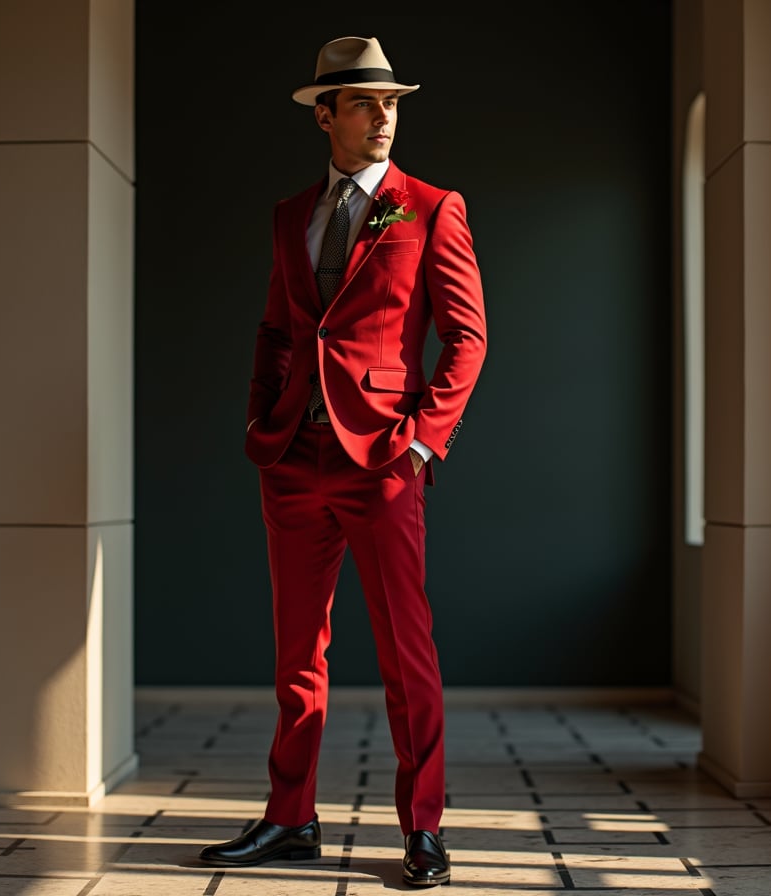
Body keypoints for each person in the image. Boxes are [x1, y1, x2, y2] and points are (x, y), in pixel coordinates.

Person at [199, 35, 487, 888]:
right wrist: (262, 416)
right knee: (298, 655)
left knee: (407, 651)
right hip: (293, 458)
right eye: (365, 103)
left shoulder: (431, 207)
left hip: (382, 461)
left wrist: (423, 441)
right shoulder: (293, 215)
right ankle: (291, 819)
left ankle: (424, 828)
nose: (383, 117)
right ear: (324, 114)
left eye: (392, 103)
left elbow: (467, 338)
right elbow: (281, 328)